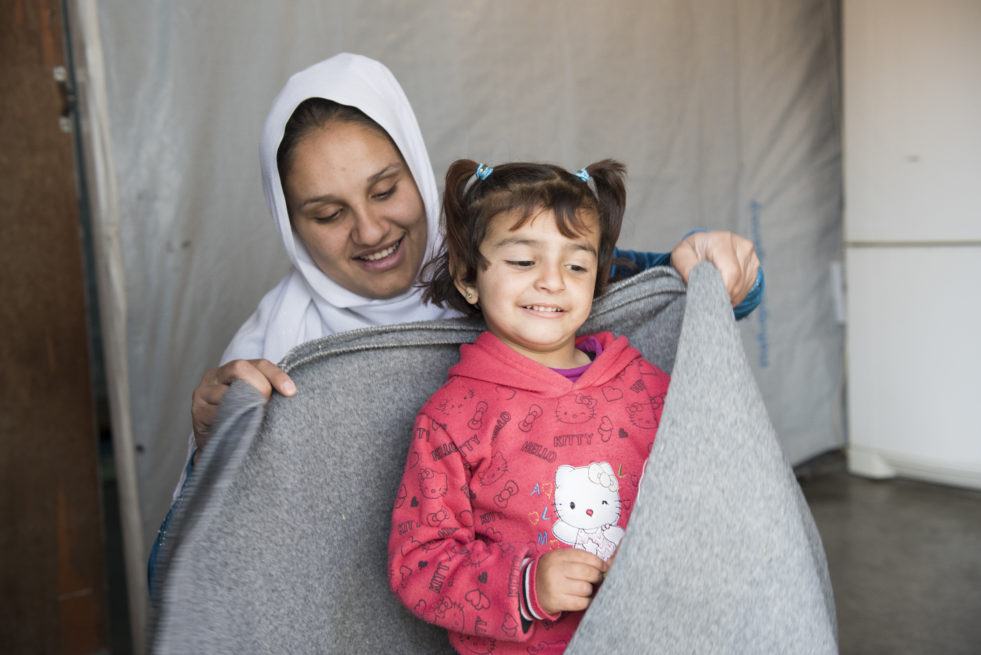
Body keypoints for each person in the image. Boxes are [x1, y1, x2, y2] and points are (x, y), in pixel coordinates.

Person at [150, 53, 761, 586]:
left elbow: (659, 293)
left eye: (386, 190)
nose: (370, 230)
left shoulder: (509, 268)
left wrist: (722, 269)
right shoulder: (274, 353)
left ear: (416, 166)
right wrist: (215, 445)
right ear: (288, 223)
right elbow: (184, 572)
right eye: (327, 213)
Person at [388, 158, 668, 654]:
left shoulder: (648, 386)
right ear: (468, 276)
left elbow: (705, 494)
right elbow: (419, 564)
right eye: (523, 261)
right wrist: (527, 587)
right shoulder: (451, 418)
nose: (553, 280)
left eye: (576, 264)